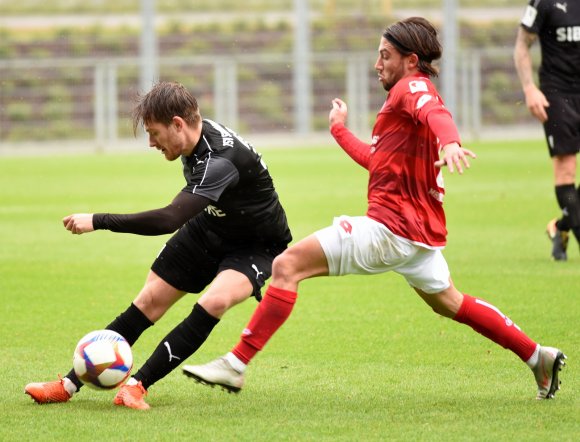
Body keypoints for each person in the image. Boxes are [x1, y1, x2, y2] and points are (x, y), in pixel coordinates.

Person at [183, 17, 567, 400]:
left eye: (385, 55)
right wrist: (338, 130)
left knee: (285, 266)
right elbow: (377, 161)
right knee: (451, 303)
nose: (377, 64)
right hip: (418, 237)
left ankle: (236, 364)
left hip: (390, 229)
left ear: (410, 60)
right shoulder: (401, 99)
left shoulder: (412, 87)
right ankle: (538, 358)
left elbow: (437, 113)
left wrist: (450, 143)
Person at [24, 81, 292, 410]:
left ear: (178, 123)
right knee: (148, 300)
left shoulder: (220, 159)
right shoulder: (195, 138)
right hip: (209, 227)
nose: (151, 142)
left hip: (257, 245)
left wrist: (98, 220)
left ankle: (137, 386)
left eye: (153, 133)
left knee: (215, 300)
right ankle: (67, 385)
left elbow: (168, 219)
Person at [514, 0, 580, 261]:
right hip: (557, 93)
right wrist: (530, 88)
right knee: (566, 169)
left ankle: (561, 226)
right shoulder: (543, 2)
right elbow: (522, 45)